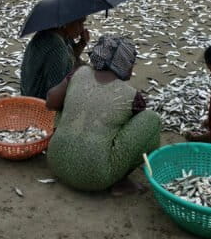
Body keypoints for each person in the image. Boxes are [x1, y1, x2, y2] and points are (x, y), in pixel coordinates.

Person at [46, 36, 161, 195]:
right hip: (96, 178)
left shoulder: (78, 73)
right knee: (151, 120)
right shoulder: (132, 95)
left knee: (66, 102)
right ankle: (120, 181)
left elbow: (51, 102)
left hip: (55, 162)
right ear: (126, 65)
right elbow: (133, 131)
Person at [20, 18, 89, 99]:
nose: (82, 28)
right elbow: (55, 91)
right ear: (66, 23)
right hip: (39, 100)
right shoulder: (56, 47)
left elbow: (71, 56)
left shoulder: (60, 33)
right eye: (79, 23)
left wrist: (82, 42)